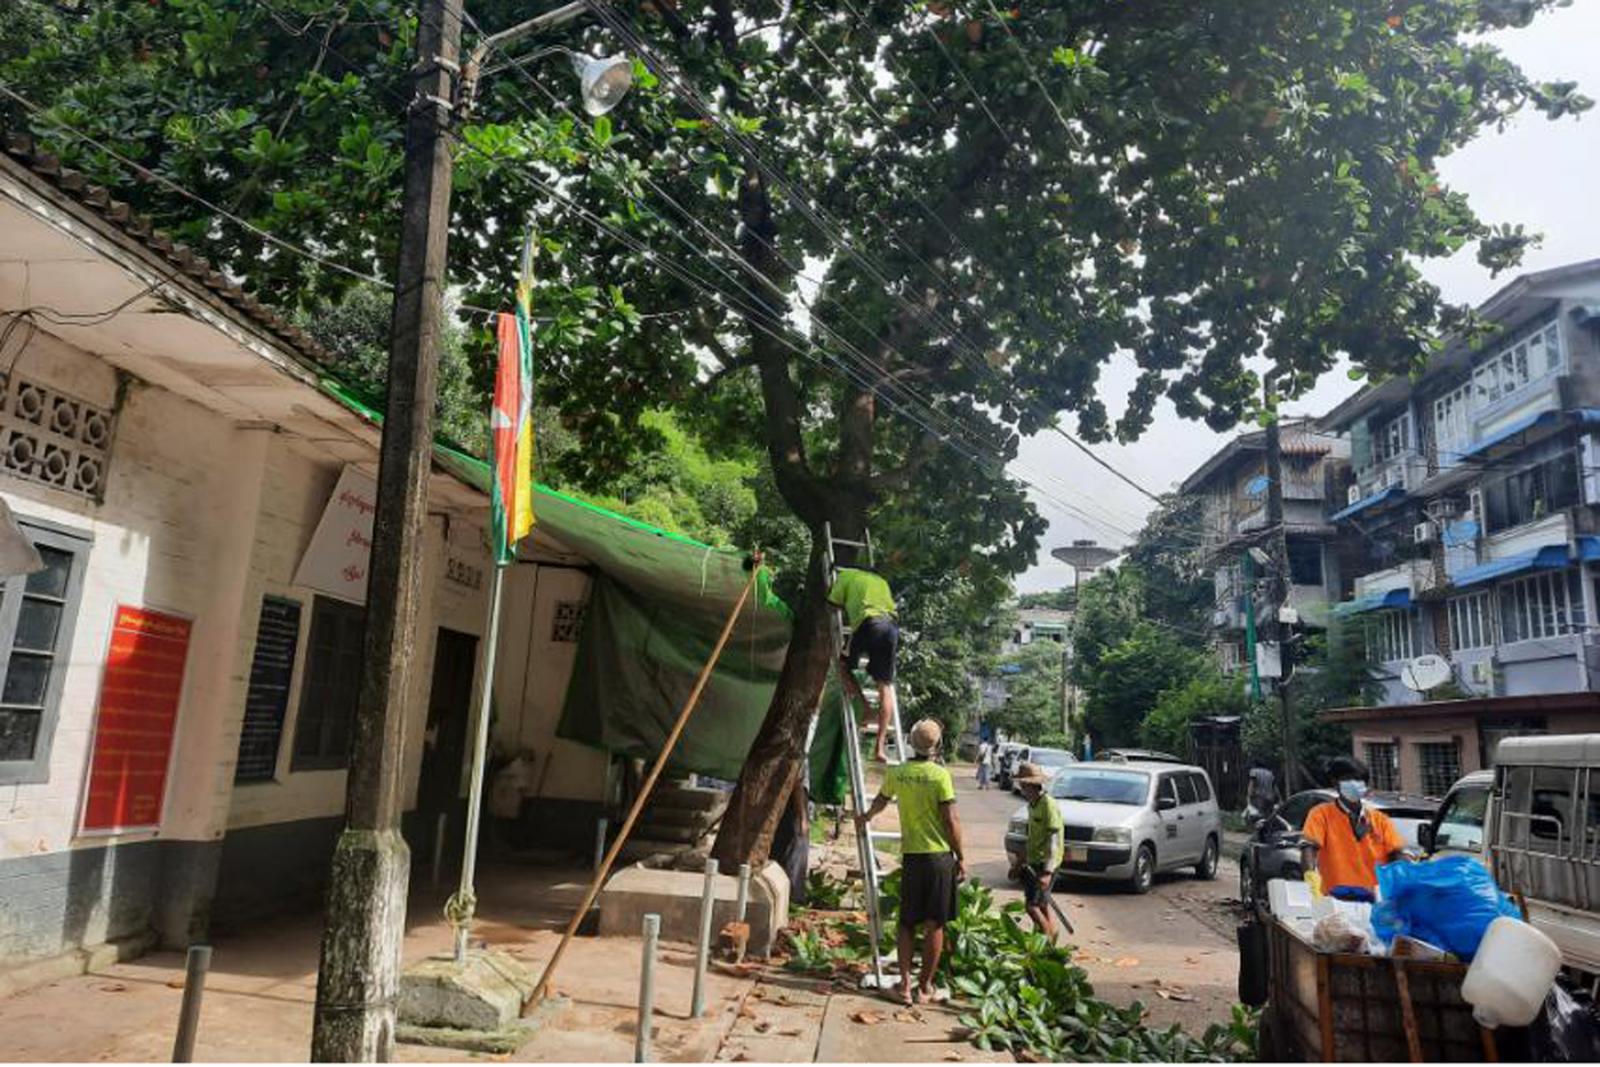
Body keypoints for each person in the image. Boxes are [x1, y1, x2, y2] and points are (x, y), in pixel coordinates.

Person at [858, 718, 966, 1006]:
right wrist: (961, 857)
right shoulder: (940, 776)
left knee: (907, 922)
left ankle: (904, 986)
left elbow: (881, 800)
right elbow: (951, 820)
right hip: (939, 857)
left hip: (912, 857)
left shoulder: (899, 773)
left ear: (911, 743)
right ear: (937, 746)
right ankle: (925, 987)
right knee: (935, 924)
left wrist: (866, 817)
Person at [1301, 756, 1407, 895]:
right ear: (1335, 783)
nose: (1355, 784)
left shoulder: (1380, 820)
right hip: (1336, 897)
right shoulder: (1321, 815)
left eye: (1359, 780)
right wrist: (1311, 879)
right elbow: (1309, 848)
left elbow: (1396, 853)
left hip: (1376, 897)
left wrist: (1405, 875)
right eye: (1348, 779)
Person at [828, 561, 899, 762]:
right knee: (884, 686)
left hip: (867, 624)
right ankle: (880, 747)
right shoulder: (882, 582)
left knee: (842, 665)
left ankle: (866, 708)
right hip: (891, 628)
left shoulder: (846, 575)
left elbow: (832, 603)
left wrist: (845, 602)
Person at [1013, 761, 1063, 940]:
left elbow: (1053, 840)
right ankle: (1052, 939)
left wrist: (1048, 872)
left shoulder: (1048, 804)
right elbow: (1031, 838)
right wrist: (1019, 863)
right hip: (1034, 862)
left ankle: (1045, 942)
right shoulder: (1032, 805)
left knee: (1031, 906)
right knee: (1041, 905)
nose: (1022, 789)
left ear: (1032, 786)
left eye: (1024, 786)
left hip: (1046, 863)